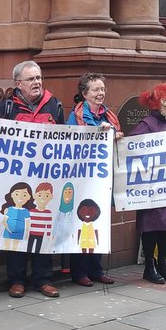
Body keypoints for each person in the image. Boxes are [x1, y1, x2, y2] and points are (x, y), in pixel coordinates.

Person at [0, 60, 63, 298]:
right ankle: (17, 279)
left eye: (39, 78)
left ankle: (43, 279)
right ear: (18, 83)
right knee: (17, 230)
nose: (37, 83)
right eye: (31, 79)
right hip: (16, 181)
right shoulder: (6, 107)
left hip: (44, 181)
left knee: (41, 230)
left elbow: (67, 138)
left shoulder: (55, 105)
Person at [66, 71, 121, 287]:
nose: (101, 93)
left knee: (99, 224)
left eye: (103, 89)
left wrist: (115, 135)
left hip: (102, 179)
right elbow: (73, 140)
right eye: (96, 90)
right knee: (82, 224)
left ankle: (96, 269)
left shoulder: (109, 115)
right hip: (83, 179)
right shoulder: (76, 116)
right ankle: (79, 272)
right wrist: (97, 132)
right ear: (84, 93)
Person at [130, 82, 166, 285]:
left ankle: (163, 264)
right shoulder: (147, 124)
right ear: (162, 101)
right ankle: (149, 266)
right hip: (152, 187)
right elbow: (132, 147)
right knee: (151, 226)